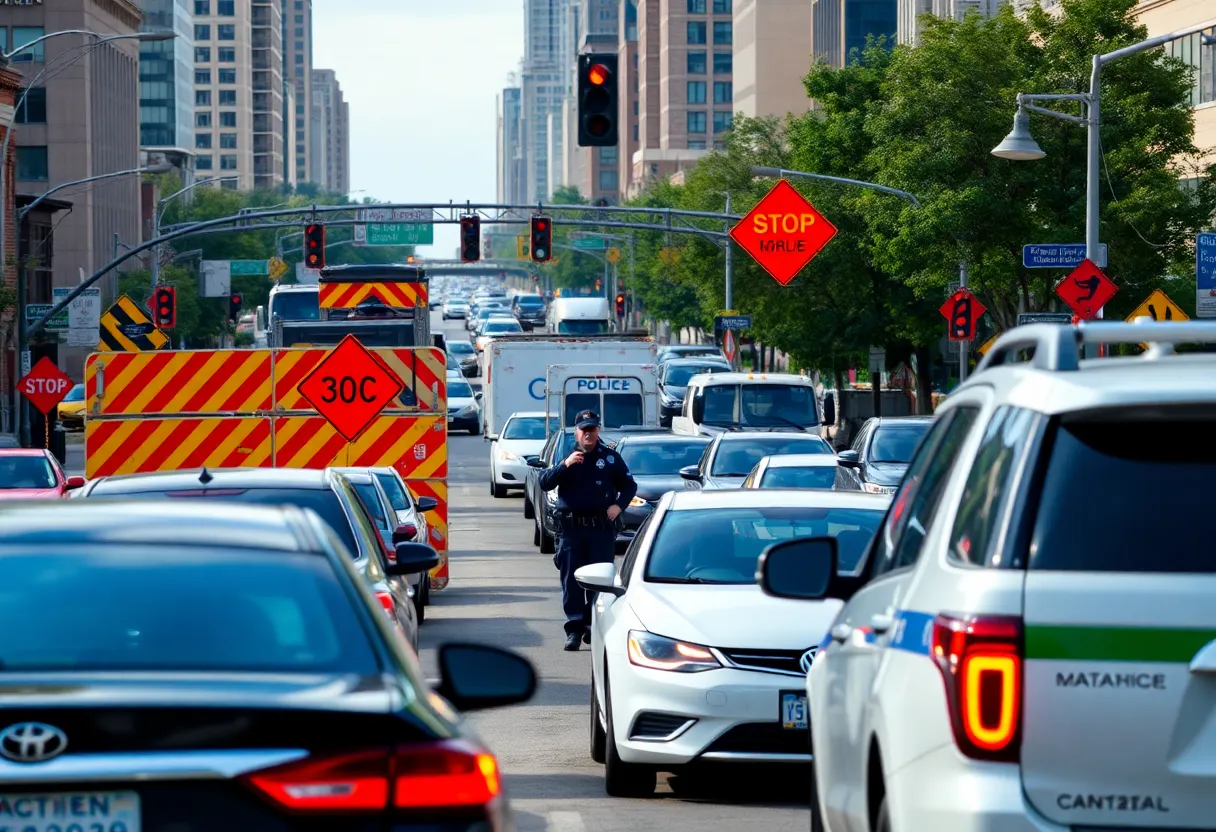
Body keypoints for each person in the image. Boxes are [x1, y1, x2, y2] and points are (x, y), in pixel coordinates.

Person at [539, 410, 638, 651]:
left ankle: (592, 624)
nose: (589, 434)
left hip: (600, 530)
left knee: (598, 580)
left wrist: (618, 505)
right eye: (584, 430)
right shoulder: (566, 456)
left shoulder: (610, 458)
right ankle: (574, 629)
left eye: (592, 429)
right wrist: (565, 465)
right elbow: (545, 482)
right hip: (571, 531)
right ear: (577, 431)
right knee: (572, 581)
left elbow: (629, 485)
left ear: (598, 431)